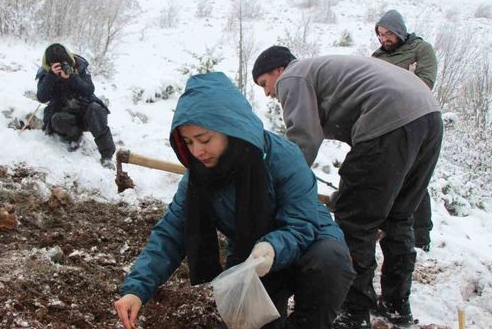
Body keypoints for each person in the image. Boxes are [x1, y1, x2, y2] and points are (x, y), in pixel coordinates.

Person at [114, 72, 355, 329]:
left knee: (330, 262)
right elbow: (172, 232)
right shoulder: (198, 177)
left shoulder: (283, 157)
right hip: (252, 258)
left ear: (231, 129)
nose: (197, 151)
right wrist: (137, 288)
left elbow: (302, 224)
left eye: (205, 139)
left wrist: (272, 247)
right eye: (188, 142)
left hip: (308, 242)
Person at [252, 47, 443, 329]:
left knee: (354, 222)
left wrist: (281, 185)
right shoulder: (327, 71)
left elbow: (303, 140)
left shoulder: (293, 75)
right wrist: (349, 192)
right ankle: (396, 306)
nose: (268, 93)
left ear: (278, 70)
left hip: (389, 119)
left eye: (264, 83)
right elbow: (372, 170)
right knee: (398, 217)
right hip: (427, 116)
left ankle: (353, 314)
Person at [372, 9, 438, 252]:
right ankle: (385, 228)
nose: (384, 39)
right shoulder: (376, 57)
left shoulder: (421, 49)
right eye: (380, 34)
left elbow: (424, 84)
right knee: (387, 176)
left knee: (415, 176)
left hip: (415, 118)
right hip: (384, 123)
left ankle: (421, 236)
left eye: (388, 33)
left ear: (399, 31)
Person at [35, 43, 115, 168]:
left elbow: (89, 90)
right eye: (57, 65)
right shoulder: (46, 73)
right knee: (57, 120)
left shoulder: (79, 65)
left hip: (84, 109)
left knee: (96, 109)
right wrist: (51, 76)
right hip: (63, 112)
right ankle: (75, 137)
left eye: (63, 63)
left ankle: (107, 156)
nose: (61, 67)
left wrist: (72, 77)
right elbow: (41, 97)